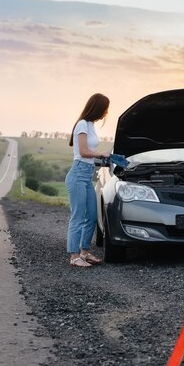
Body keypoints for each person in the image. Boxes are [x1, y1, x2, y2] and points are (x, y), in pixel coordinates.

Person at [66, 93, 111, 267]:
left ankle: (84, 252)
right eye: (105, 109)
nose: (106, 113)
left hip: (86, 176)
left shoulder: (91, 125)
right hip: (77, 175)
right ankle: (74, 256)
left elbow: (89, 154)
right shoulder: (82, 124)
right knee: (77, 217)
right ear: (97, 107)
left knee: (92, 216)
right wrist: (101, 153)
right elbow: (84, 151)